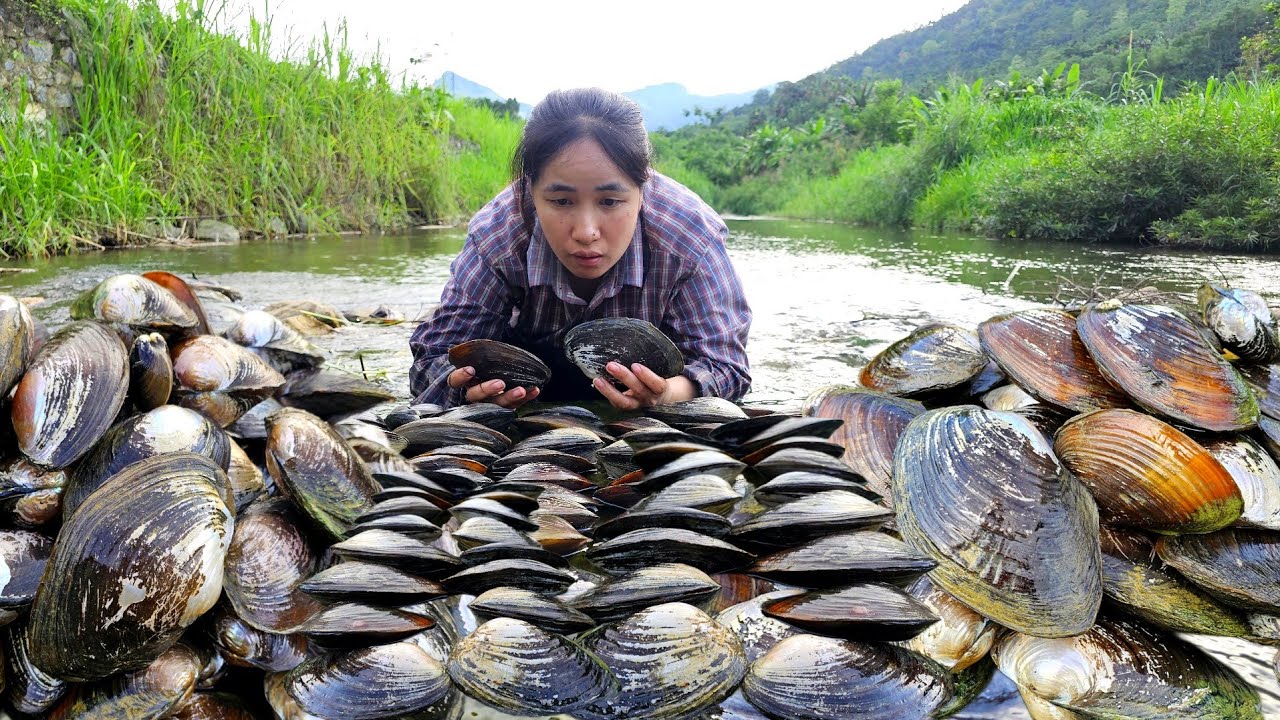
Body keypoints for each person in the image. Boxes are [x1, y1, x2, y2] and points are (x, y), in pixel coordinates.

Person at [409, 87, 751, 410]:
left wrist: (668, 394)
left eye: (610, 201)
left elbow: (726, 367)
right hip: (531, 387)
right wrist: (465, 391)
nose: (586, 233)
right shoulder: (498, 235)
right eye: (561, 201)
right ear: (530, 188)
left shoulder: (689, 236)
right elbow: (432, 362)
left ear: (643, 188)